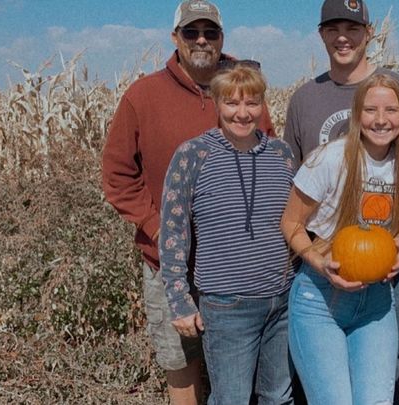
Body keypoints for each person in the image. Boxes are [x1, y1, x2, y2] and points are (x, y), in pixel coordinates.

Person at [101, 1, 275, 403]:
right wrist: (159, 228)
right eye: (191, 32)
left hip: (236, 264)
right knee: (181, 361)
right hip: (169, 263)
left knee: (242, 371)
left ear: (221, 39)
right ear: (175, 37)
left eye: (210, 32)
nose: (201, 40)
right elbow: (117, 174)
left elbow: (266, 157)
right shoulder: (143, 95)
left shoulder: (243, 91)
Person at [283, 1, 399, 401]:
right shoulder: (328, 157)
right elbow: (291, 222)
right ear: (357, 115)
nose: (381, 119)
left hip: (377, 298)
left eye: (391, 110)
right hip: (321, 296)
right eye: (371, 110)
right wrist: (319, 262)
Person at [160, 65, 295, 405]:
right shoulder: (193, 155)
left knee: (278, 396)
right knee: (232, 398)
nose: (242, 113)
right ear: (217, 103)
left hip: (282, 300)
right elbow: (173, 231)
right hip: (226, 306)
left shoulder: (281, 154)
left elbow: (299, 221)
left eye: (252, 103)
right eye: (232, 103)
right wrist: (179, 299)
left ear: (263, 104)